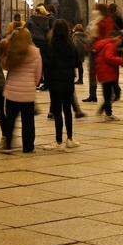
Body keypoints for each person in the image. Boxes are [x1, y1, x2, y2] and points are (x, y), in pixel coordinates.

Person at [0, 27, 42, 154]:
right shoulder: (36, 52)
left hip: (12, 91)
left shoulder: (11, 50)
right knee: (28, 121)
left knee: (10, 119)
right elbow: (38, 74)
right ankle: (28, 147)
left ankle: (8, 144)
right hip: (28, 92)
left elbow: (5, 66)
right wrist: (33, 84)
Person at [44, 19, 81, 149]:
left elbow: (47, 64)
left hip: (55, 81)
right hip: (68, 81)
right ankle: (70, 139)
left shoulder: (51, 45)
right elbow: (77, 62)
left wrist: (46, 82)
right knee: (68, 110)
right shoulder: (71, 45)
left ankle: (58, 140)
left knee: (57, 111)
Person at [83, 3, 114, 102]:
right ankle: (93, 95)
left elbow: (105, 35)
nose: (93, 11)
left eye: (95, 9)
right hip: (95, 49)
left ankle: (111, 93)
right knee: (92, 72)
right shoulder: (96, 21)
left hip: (101, 49)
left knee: (103, 72)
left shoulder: (105, 21)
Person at [94, 30, 123, 121]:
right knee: (115, 93)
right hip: (108, 73)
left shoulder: (107, 44)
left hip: (105, 73)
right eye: (120, 39)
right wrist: (120, 60)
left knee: (108, 94)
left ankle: (106, 109)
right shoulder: (110, 45)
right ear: (117, 37)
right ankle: (108, 112)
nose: (120, 41)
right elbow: (108, 57)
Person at [26, 4, 53, 87]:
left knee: (33, 62)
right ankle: (44, 81)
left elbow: (26, 29)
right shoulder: (46, 20)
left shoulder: (31, 19)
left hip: (33, 42)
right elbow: (47, 31)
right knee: (44, 62)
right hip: (43, 43)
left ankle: (35, 81)